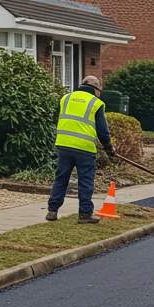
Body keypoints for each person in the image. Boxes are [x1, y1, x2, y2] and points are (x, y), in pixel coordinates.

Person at [48, 75, 113, 224]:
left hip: (64, 145)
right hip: (84, 148)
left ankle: (52, 210)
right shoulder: (96, 103)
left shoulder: (66, 98)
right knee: (85, 181)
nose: (100, 93)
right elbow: (103, 131)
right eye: (100, 90)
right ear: (95, 88)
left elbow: (55, 118)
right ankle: (84, 214)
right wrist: (109, 148)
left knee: (61, 178)